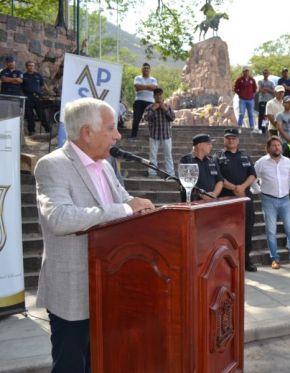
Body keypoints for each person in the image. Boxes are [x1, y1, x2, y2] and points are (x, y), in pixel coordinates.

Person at [34, 97, 154, 372]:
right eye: (111, 128)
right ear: (87, 132)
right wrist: (125, 208)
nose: (118, 135)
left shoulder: (107, 166)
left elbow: (125, 202)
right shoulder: (52, 165)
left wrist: (143, 208)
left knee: (102, 361)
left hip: (109, 285)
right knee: (72, 365)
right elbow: (59, 219)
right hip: (73, 290)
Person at [254, 136, 290, 270]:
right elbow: (253, 178)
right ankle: (274, 259)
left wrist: (284, 190)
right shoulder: (261, 163)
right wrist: (259, 189)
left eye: (279, 145)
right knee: (271, 230)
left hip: (285, 199)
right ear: (268, 148)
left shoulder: (287, 162)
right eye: (274, 145)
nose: (277, 147)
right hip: (268, 199)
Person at [215, 128, 258, 272]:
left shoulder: (245, 156)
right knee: (226, 231)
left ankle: (246, 260)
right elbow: (218, 177)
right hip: (227, 199)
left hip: (245, 198)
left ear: (238, 140)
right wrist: (234, 188)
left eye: (233, 138)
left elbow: (253, 175)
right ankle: (228, 261)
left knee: (247, 230)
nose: (231, 140)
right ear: (224, 140)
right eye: (228, 138)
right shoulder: (218, 157)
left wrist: (242, 187)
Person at [143, 87, 176, 178]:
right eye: (156, 95)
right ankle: (152, 173)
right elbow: (146, 118)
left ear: (162, 96)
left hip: (166, 135)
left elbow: (172, 118)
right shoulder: (150, 107)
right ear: (154, 97)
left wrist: (164, 109)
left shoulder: (168, 107)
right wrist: (153, 109)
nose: (158, 97)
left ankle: (170, 173)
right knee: (153, 155)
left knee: (168, 155)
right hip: (154, 135)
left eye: (160, 95)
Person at [179, 134, 223, 201]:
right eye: (208, 144)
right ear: (199, 145)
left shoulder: (212, 160)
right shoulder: (186, 160)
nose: (211, 146)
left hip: (211, 202)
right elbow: (186, 182)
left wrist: (214, 194)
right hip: (193, 202)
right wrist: (202, 194)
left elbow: (220, 180)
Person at [22, 60, 51, 135]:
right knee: (29, 115)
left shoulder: (38, 75)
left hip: (38, 98)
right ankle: (31, 131)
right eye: (29, 65)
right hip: (28, 98)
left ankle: (48, 130)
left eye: (32, 65)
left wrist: (49, 92)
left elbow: (43, 85)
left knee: (42, 115)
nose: (31, 67)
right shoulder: (23, 76)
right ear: (26, 67)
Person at [130, 63, 157, 139]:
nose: (146, 69)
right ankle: (133, 135)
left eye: (147, 68)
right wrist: (148, 86)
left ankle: (153, 135)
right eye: (144, 68)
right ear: (142, 69)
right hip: (139, 100)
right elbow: (137, 87)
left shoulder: (153, 79)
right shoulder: (137, 78)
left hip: (150, 101)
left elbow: (154, 88)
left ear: (150, 70)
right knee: (136, 119)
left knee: (152, 119)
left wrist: (143, 87)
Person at [234, 66, 258, 133]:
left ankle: (252, 128)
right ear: (243, 72)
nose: (247, 72)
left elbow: (255, 89)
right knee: (241, 114)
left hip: (250, 100)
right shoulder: (239, 79)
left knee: (251, 114)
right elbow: (235, 88)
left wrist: (252, 96)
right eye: (245, 71)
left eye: (247, 71)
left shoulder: (252, 80)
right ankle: (239, 128)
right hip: (242, 100)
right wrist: (240, 94)